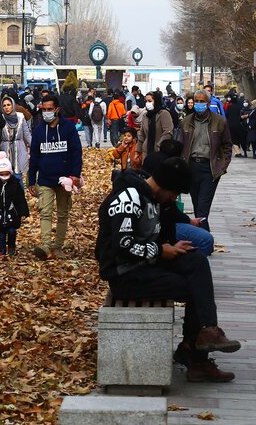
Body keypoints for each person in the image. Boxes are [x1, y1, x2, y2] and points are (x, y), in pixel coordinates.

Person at [97, 157, 239, 382]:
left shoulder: (156, 198)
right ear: (163, 186)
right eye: (173, 193)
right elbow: (122, 245)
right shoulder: (129, 198)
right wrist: (160, 251)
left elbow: (165, 226)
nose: (174, 198)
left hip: (147, 262)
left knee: (197, 262)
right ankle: (195, 356)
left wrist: (172, 247)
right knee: (193, 287)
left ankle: (207, 331)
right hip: (126, 274)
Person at [28, 93, 83, 260]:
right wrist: (31, 180)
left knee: (62, 213)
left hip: (65, 180)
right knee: (45, 212)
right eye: (43, 109)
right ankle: (45, 245)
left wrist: (75, 175)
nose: (46, 112)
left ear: (57, 109)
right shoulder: (38, 131)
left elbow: (76, 152)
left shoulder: (68, 128)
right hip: (44, 179)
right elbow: (34, 156)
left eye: (49, 109)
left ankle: (58, 247)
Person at [179, 89, 232, 232]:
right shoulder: (186, 122)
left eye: (202, 101)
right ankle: (204, 237)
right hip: (191, 167)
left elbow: (227, 144)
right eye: (197, 101)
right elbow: (179, 144)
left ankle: (203, 240)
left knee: (203, 205)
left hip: (210, 168)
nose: (199, 104)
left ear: (208, 103)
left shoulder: (219, 121)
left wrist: (223, 164)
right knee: (197, 204)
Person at [0, 96, 31, 183]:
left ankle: (20, 196)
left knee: (18, 176)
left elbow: (26, 133)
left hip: (19, 148)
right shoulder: (1, 118)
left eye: (8, 105)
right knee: (5, 176)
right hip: (5, 149)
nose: (6, 107)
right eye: (4, 105)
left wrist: (34, 146)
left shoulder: (20, 117)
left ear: (13, 105)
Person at [136, 91, 174, 160]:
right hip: (146, 151)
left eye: (149, 101)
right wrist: (138, 150)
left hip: (160, 152)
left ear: (156, 101)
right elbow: (142, 134)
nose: (147, 103)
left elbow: (168, 132)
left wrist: (159, 145)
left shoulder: (163, 114)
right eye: (146, 101)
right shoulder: (145, 116)